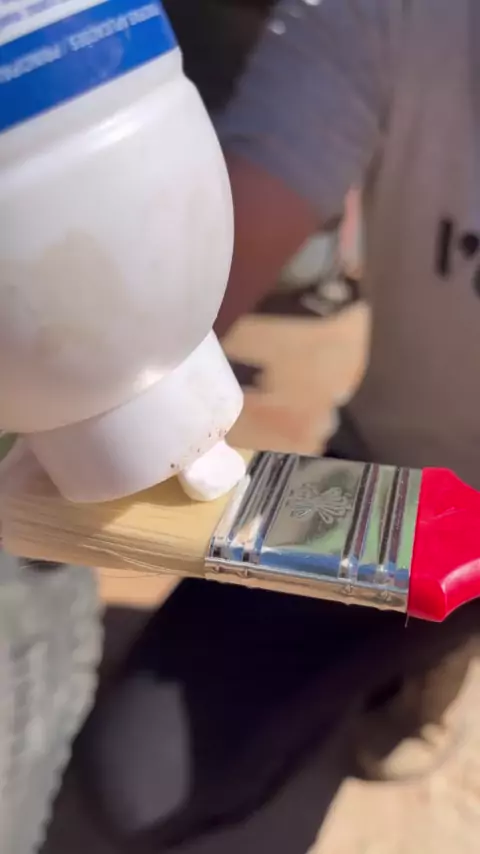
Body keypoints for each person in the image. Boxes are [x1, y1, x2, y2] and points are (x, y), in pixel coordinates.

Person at [78, 0, 480, 847]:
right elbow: (205, 265)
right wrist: (71, 376)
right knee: (140, 779)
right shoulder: (391, 14)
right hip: (389, 488)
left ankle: (434, 658)